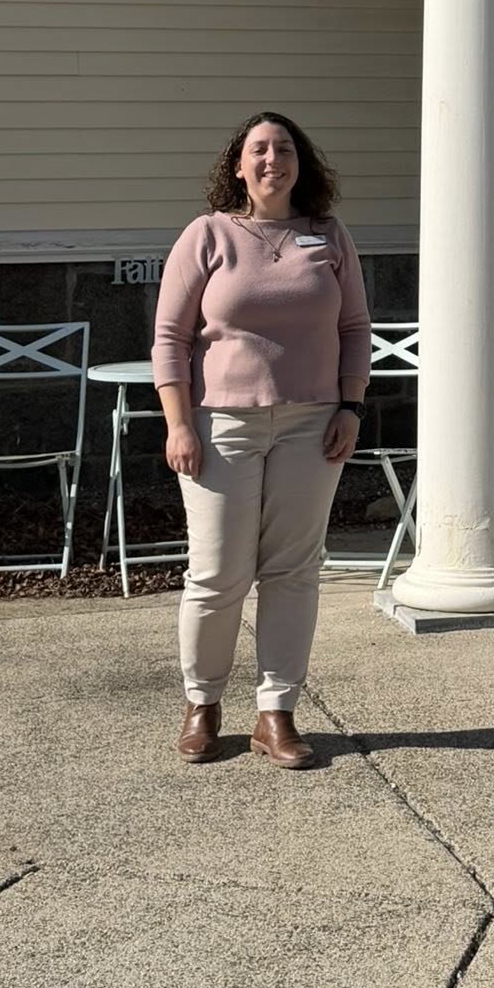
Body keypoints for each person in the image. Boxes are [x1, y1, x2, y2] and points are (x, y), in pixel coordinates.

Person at [152, 111, 371, 768]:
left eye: (285, 148)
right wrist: (179, 423)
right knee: (217, 573)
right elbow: (170, 338)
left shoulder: (328, 236)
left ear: (301, 164)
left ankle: (276, 713)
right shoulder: (208, 235)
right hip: (220, 425)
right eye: (260, 149)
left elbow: (355, 328)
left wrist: (351, 405)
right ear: (239, 166)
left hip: (313, 423)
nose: (273, 159)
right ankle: (203, 704)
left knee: (293, 572)